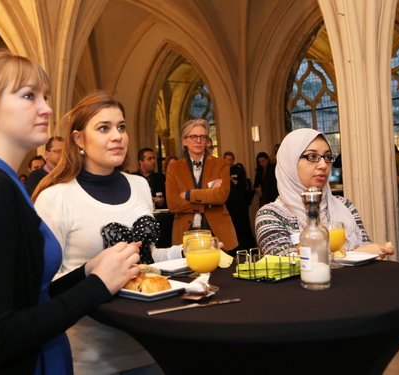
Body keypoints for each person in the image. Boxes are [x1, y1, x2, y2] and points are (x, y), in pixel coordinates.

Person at [0, 50, 140, 375]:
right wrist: (97, 285)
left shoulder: (0, 180)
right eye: (29, 96)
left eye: (45, 96)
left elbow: (28, 294)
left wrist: (85, 273)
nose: (47, 108)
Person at [33, 91, 182, 374]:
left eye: (121, 127)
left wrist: (184, 252)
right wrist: (94, 271)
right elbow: (46, 286)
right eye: (104, 128)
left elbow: (147, 259)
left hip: (151, 344)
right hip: (91, 356)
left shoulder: (139, 185)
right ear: (78, 139)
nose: (118, 136)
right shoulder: (56, 198)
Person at [255, 128, 395, 260]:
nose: (323, 165)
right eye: (312, 156)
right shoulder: (270, 215)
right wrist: (355, 254)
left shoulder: (345, 205)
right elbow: (288, 261)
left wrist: (372, 252)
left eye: (327, 157)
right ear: (290, 162)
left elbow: (367, 249)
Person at [166, 119, 238, 251]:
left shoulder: (220, 164)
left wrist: (188, 194)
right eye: (193, 137)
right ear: (184, 141)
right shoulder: (174, 168)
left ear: (206, 141)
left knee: (221, 271)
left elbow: (221, 196)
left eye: (202, 137)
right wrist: (208, 198)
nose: (198, 140)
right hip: (185, 233)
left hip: (217, 232)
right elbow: (173, 204)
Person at [223, 151, 256, 250]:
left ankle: (246, 248)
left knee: (242, 226)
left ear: (233, 160)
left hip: (240, 204)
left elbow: (242, 185)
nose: (229, 162)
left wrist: (232, 180)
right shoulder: (221, 171)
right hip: (228, 204)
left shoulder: (238, 170)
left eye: (231, 160)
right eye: (227, 160)